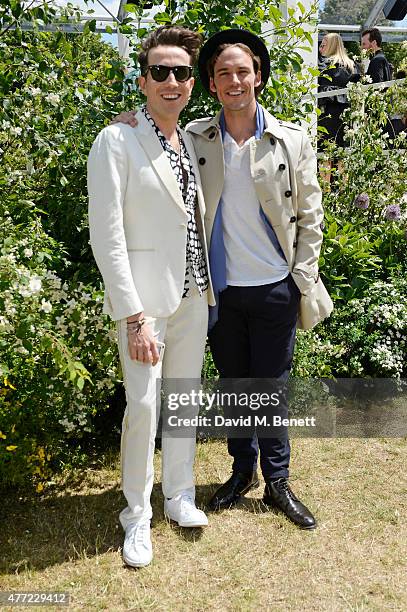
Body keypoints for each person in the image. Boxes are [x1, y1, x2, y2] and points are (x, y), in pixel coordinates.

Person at [114, 29, 333, 530]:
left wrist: (300, 277)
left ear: (258, 76)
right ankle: (242, 471)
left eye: (242, 71)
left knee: (270, 388)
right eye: (223, 73)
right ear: (210, 84)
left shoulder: (291, 139)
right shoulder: (195, 138)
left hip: (276, 285)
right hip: (221, 290)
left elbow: (310, 215)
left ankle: (278, 481)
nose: (234, 81)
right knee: (236, 386)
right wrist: (125, 124)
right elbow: (153, 136)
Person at [87, 25, 214, 568]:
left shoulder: (188, 139)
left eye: (181, 72)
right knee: (142, 407)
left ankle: (179, 494)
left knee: (183, 400)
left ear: (192, 83)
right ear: (142, 81)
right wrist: (133, 315)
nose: (171, 81)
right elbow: (106, 233)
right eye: (160, 71)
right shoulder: (117, 139)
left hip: (192, 295)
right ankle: (136, 516)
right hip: (144, 304)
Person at [318, 33, 357, 147]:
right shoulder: (351, 66)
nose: (320, 49)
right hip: (345, 115)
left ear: (330, 46)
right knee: (342, 151)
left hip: (326, 113)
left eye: (323, 46)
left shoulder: (324, 65)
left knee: (325, 151)